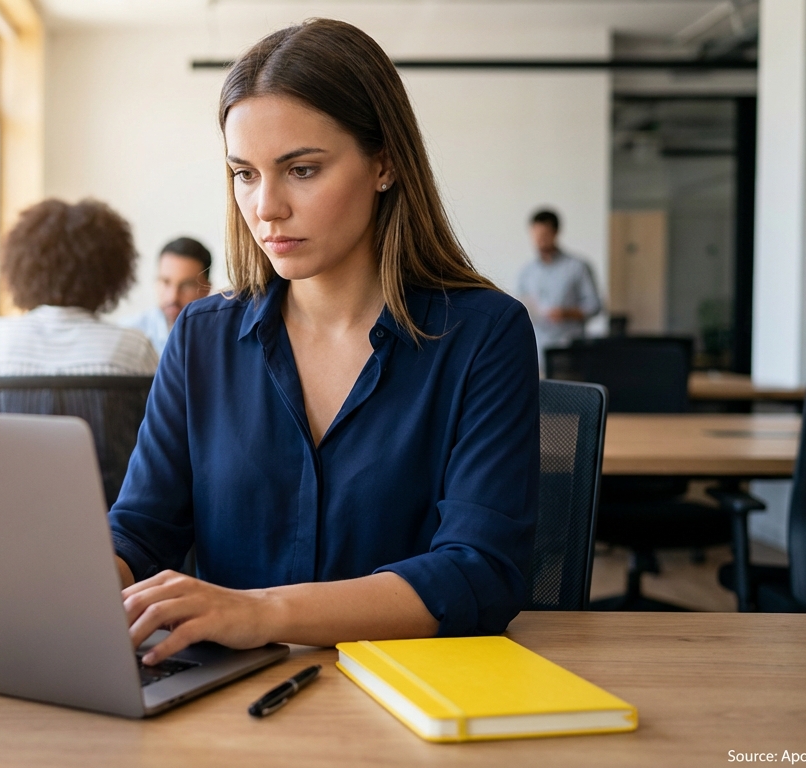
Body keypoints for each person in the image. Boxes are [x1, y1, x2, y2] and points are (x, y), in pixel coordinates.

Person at [109, 19, 539, 666]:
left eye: (301, 169)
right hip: (228, 705)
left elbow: (478, 571)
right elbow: (141, 532)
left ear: (385, 164)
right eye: (244, 174)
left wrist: (262, 613)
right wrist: (76, 594)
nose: (266, 207)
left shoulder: (484, 333)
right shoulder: (201, 336)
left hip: (409, 705)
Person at [0, 199, 158, 413]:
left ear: (22, 268)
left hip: (14, 448)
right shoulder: (134, 348)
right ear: (113, 272)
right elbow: (165, 434)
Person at [516, 208, 602, 367]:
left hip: (569, 350)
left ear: (556, 233)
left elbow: (595, 305)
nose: (539, 240)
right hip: (537, 351)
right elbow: (522, 305)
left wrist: (566, 313)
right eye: (536, 235)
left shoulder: (577, 267)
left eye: (544, 235)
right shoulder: (527, 272)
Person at [122, 237, 213, 355]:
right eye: (166, 282)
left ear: (206, 288)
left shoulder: (221, 338)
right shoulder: (129, 335)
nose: (173, 297)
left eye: (186, 285)